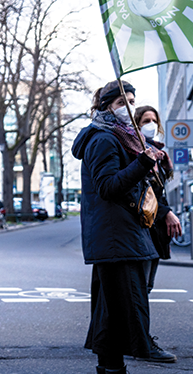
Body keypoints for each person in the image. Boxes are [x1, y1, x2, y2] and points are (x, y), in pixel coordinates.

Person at [72, 80, 160, 374]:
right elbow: (108, 187)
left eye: (132, 101)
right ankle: (132, 353)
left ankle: (111, 367)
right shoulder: (104, 139)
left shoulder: (120, 137)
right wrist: (143, 164)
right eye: (123, 102)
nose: (129, 107)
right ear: (106, 106)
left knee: (110, 311)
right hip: (115, 236)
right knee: (126, 305)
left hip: (117, 236)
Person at [133, 105, 179, 363]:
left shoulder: (159, 153)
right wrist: (167, 212)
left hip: (155, 227)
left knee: (145, 287)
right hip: (145, 226)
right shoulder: (137, 150)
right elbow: (143, 193)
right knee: (140, 288)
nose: (150, 124)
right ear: (136, 124)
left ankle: (136, 338)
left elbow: (158, 192)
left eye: (153, 120)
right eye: (145, 120)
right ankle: (140, 341)